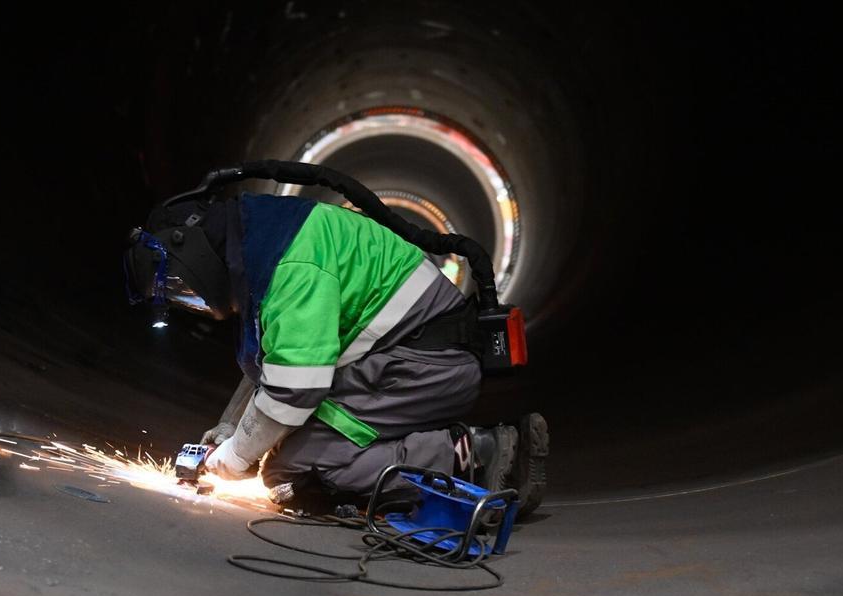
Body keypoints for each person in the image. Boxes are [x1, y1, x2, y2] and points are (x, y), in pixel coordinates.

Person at [125, 189, 548, 511]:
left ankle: (475, 453)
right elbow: (279, 361)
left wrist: (234, 459)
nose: (192, 301)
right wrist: (231, 430)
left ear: (193, 250)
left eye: (181, 290)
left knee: (294, 468)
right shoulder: (268, 242)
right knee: (282, 451)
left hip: (425, 366)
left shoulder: (292, 265)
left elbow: (293, 390)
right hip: (408, 359)